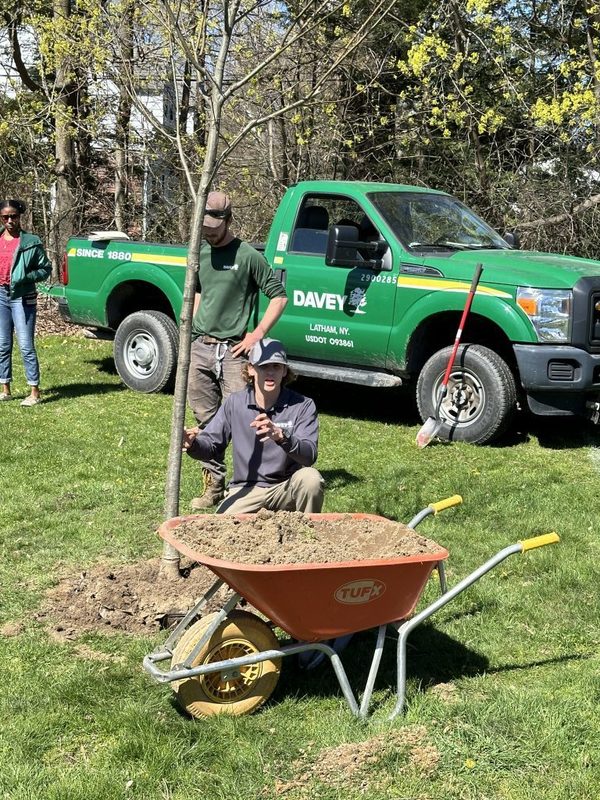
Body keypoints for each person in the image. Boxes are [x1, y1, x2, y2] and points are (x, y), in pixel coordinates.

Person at [187, 190, 288, 509]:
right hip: (201, 348)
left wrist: (257, 334)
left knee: (245, 419)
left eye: (213, 230)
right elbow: (199, 292)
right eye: (203, 229)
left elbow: (279, 296)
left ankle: (254, 485)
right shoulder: (199, 253)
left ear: (227, 222)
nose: (208, 234)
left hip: (234, 353)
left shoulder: (247, 256)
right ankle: (214, 485)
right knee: (205, 420)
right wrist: (190, 329)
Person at [183, 338, 324, 515]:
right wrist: (193, 445)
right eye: (264, 366)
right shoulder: (236, 403)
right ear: (251, 369)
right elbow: (211, 445)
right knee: (221, 528)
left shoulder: (303, 405)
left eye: (276, 366)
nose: (271, 373)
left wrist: (282, 437)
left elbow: (309, 456)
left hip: (286, 488)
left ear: (284, 371)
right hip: (245, 490)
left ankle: (307, 537)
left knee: (311, 479)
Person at [0, 199, 51, 406]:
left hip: (22, 297)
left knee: (25, 345)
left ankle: (34, 392)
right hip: (1, 296)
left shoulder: (31, 241)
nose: (10, 221)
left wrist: (25, 277)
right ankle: (5, 388)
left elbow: (45, 268)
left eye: (14, 216)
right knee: (2, 344)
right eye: (5, 217)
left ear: (20, 217)